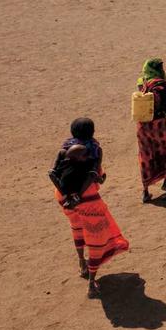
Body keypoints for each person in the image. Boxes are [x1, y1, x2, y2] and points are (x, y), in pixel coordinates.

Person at [49, 118, 129, 298]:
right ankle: (92, 283)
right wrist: (78, 196)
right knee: (96, 238)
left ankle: (81, 264)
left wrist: (68, 195)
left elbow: (53, 173)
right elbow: (94, 174)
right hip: (88, 199)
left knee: (77, 228)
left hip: (63, 197)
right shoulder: (94, 150)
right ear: (92, 132)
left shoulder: (64, 148)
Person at [135, 58, 166, 203]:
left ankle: (145, 191)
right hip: (158, 125)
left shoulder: (143, 82)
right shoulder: (160, 85)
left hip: (143, 127)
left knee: (146, 156)